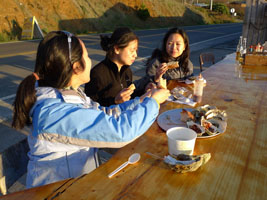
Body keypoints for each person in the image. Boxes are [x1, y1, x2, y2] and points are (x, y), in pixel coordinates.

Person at [12, 31, 170, 188]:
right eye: (87, 57)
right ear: (76, 67)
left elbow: (104, 114)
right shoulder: (53, 112)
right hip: (56, 192)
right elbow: (120, 131)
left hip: (77, 185)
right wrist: (153, 102)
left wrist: (143, 99)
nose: (90, 61)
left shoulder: (71, 94)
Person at [84, 27, 154, 107]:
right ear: (117, 49)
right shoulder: (97, 74)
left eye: (136, 50)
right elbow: (89, 107)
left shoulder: (127, 71)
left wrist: (145, 90)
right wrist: (115, 101)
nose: (135, 55)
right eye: (132, 51)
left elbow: (129, 97)